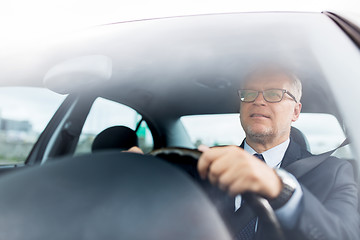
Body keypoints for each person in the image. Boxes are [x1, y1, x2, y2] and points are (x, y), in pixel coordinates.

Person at [197, 66, 359, 239]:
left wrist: (284, 192)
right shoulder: (204, 167)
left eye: (274, 94)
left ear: (295, 111)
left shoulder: (333, 173)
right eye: (249, 94)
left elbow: (346, 236)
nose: (258, 101)